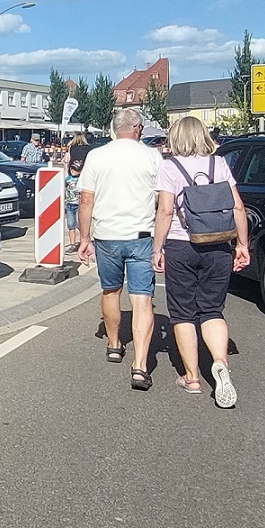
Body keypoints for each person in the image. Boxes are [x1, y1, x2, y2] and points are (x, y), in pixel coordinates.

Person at [151, 117, 249, 406]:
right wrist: (242, 244)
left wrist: (157, 249)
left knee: (182, 312)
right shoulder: (219, 164)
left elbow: (165, 211)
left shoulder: (170, 167)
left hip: (181, 245)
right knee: (212, 309)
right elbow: (237, 206)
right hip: (218, 243)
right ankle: (220, 362)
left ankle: (192, 377)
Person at [76, 109, 164, 370]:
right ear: (137, 128)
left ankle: (114, 344)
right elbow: (163, 200)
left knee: (111, 291)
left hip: (107, 235)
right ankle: (140, 365)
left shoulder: (96, 156)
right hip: (142, 236)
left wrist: (84, 238)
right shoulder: (152, 156)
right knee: (142, 298)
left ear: (115, 129)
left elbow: (86, 200)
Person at [62, 133, 91, 252]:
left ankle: (73, 244)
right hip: (79, 198)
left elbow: (66, 162)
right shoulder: (88, 149)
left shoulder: (71, 148)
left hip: (70, 201)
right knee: (80, 223)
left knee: (71, 225)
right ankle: (85, 239)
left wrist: (67, 169)